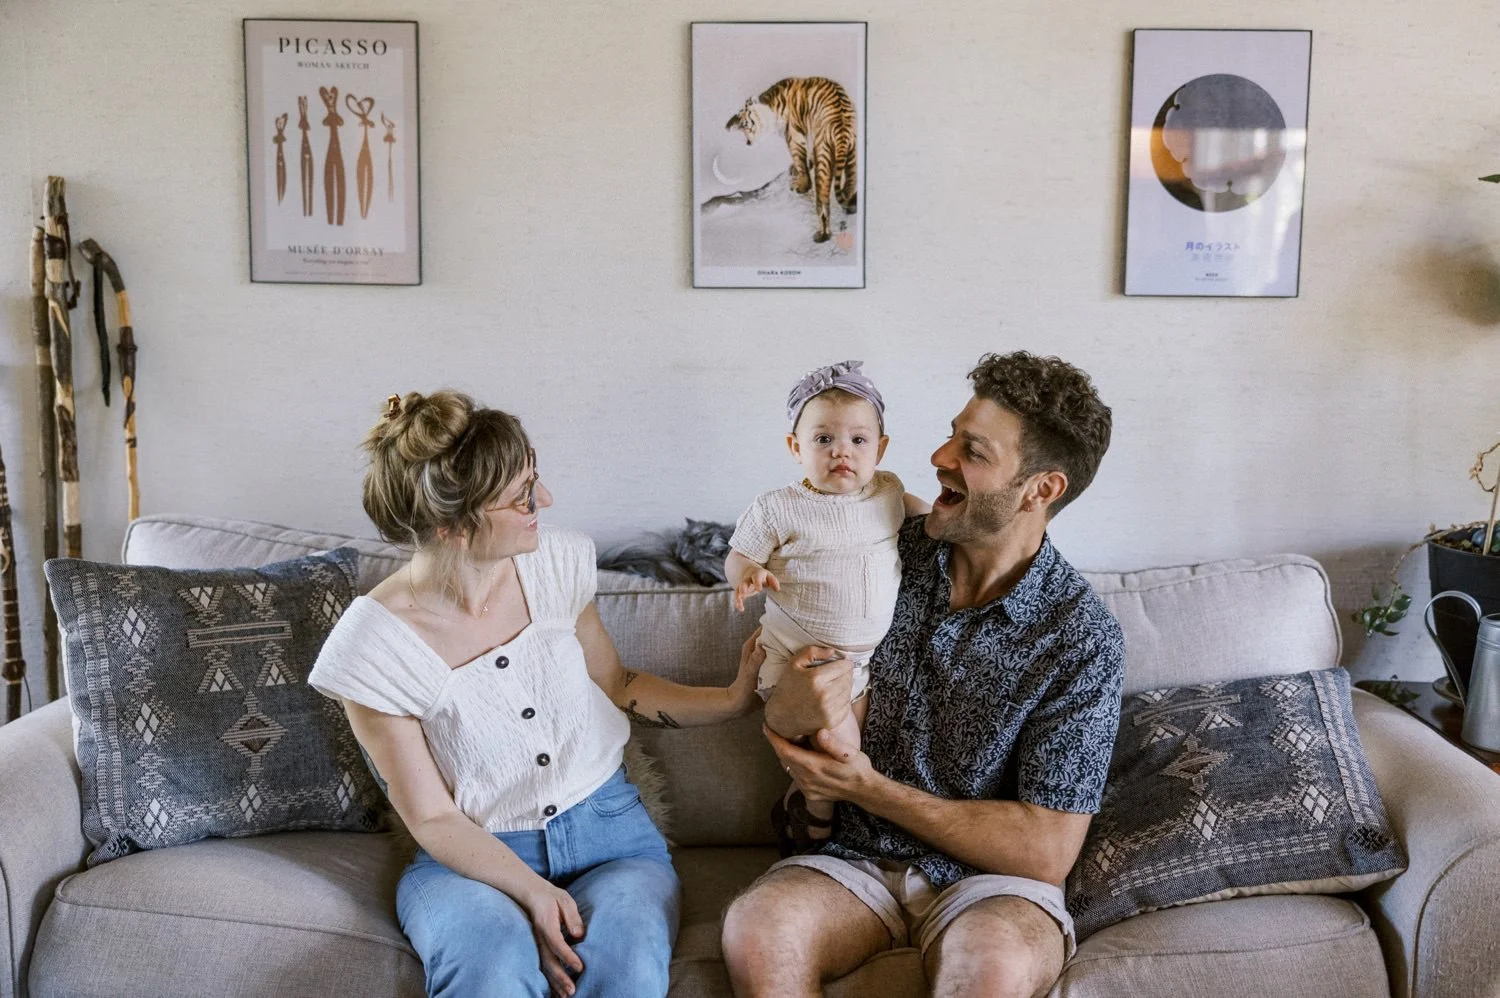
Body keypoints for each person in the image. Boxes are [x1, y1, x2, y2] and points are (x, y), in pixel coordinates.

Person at [309, 391, 764, 998]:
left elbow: (616, 685)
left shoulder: (560, 564)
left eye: (535, 479)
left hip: (615, 841)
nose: (543, 502)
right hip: (470, 860)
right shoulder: (369, 649)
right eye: (522, 495)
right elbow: (432, 816)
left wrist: (731, 701)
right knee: (490, 964)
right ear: (454, 526)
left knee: (627, 965)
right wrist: (532, 894)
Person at [721, 352, 1125, 998]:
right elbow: (789, 680)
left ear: (1040, 490)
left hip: (994, 886)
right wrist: (798, 696)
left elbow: (1046, 850)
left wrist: (870, 788)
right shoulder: (881, 546)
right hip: (852, 862)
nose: (938, 456)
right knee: (758, 928)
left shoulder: (1080, 638)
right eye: (949, 433)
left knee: (992, 965)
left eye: (972, 450)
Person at [725, 360, 927, 853]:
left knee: (861, 748)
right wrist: (749, 574)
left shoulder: (888, 493)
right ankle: (815, 820)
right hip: (799, 658)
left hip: (862, 665)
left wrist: (950, 525)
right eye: (823, 440)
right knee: (841, 749)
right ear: (796, 448)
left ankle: (808, 800)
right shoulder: (778, 507)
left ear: (880, 450)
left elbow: (926, 518)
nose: (842, 451)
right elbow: (738, 555)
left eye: (859, 441)